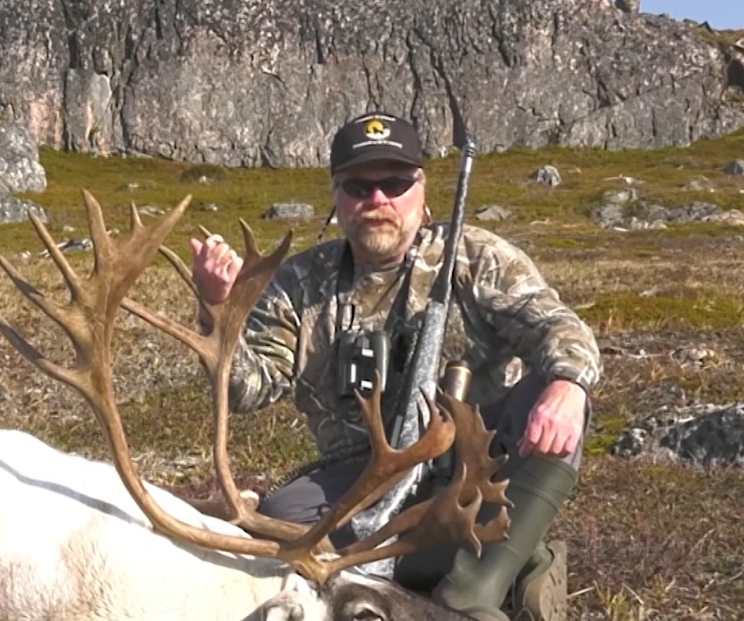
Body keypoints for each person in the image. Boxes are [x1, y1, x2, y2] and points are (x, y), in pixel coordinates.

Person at [189, 111, 601, 621]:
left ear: (421, 190)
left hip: (476, 464)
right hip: (361, 479)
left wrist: (567, 385)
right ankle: (514, 558)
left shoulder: (475, 257)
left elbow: (560, 329)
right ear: (337, 196)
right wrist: (218, 312)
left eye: (395, 183)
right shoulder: (301, 283)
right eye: (359, 186)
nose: (377, 200)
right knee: (275, 524)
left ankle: (473, 594)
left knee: (557, 390)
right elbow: (249, 389)